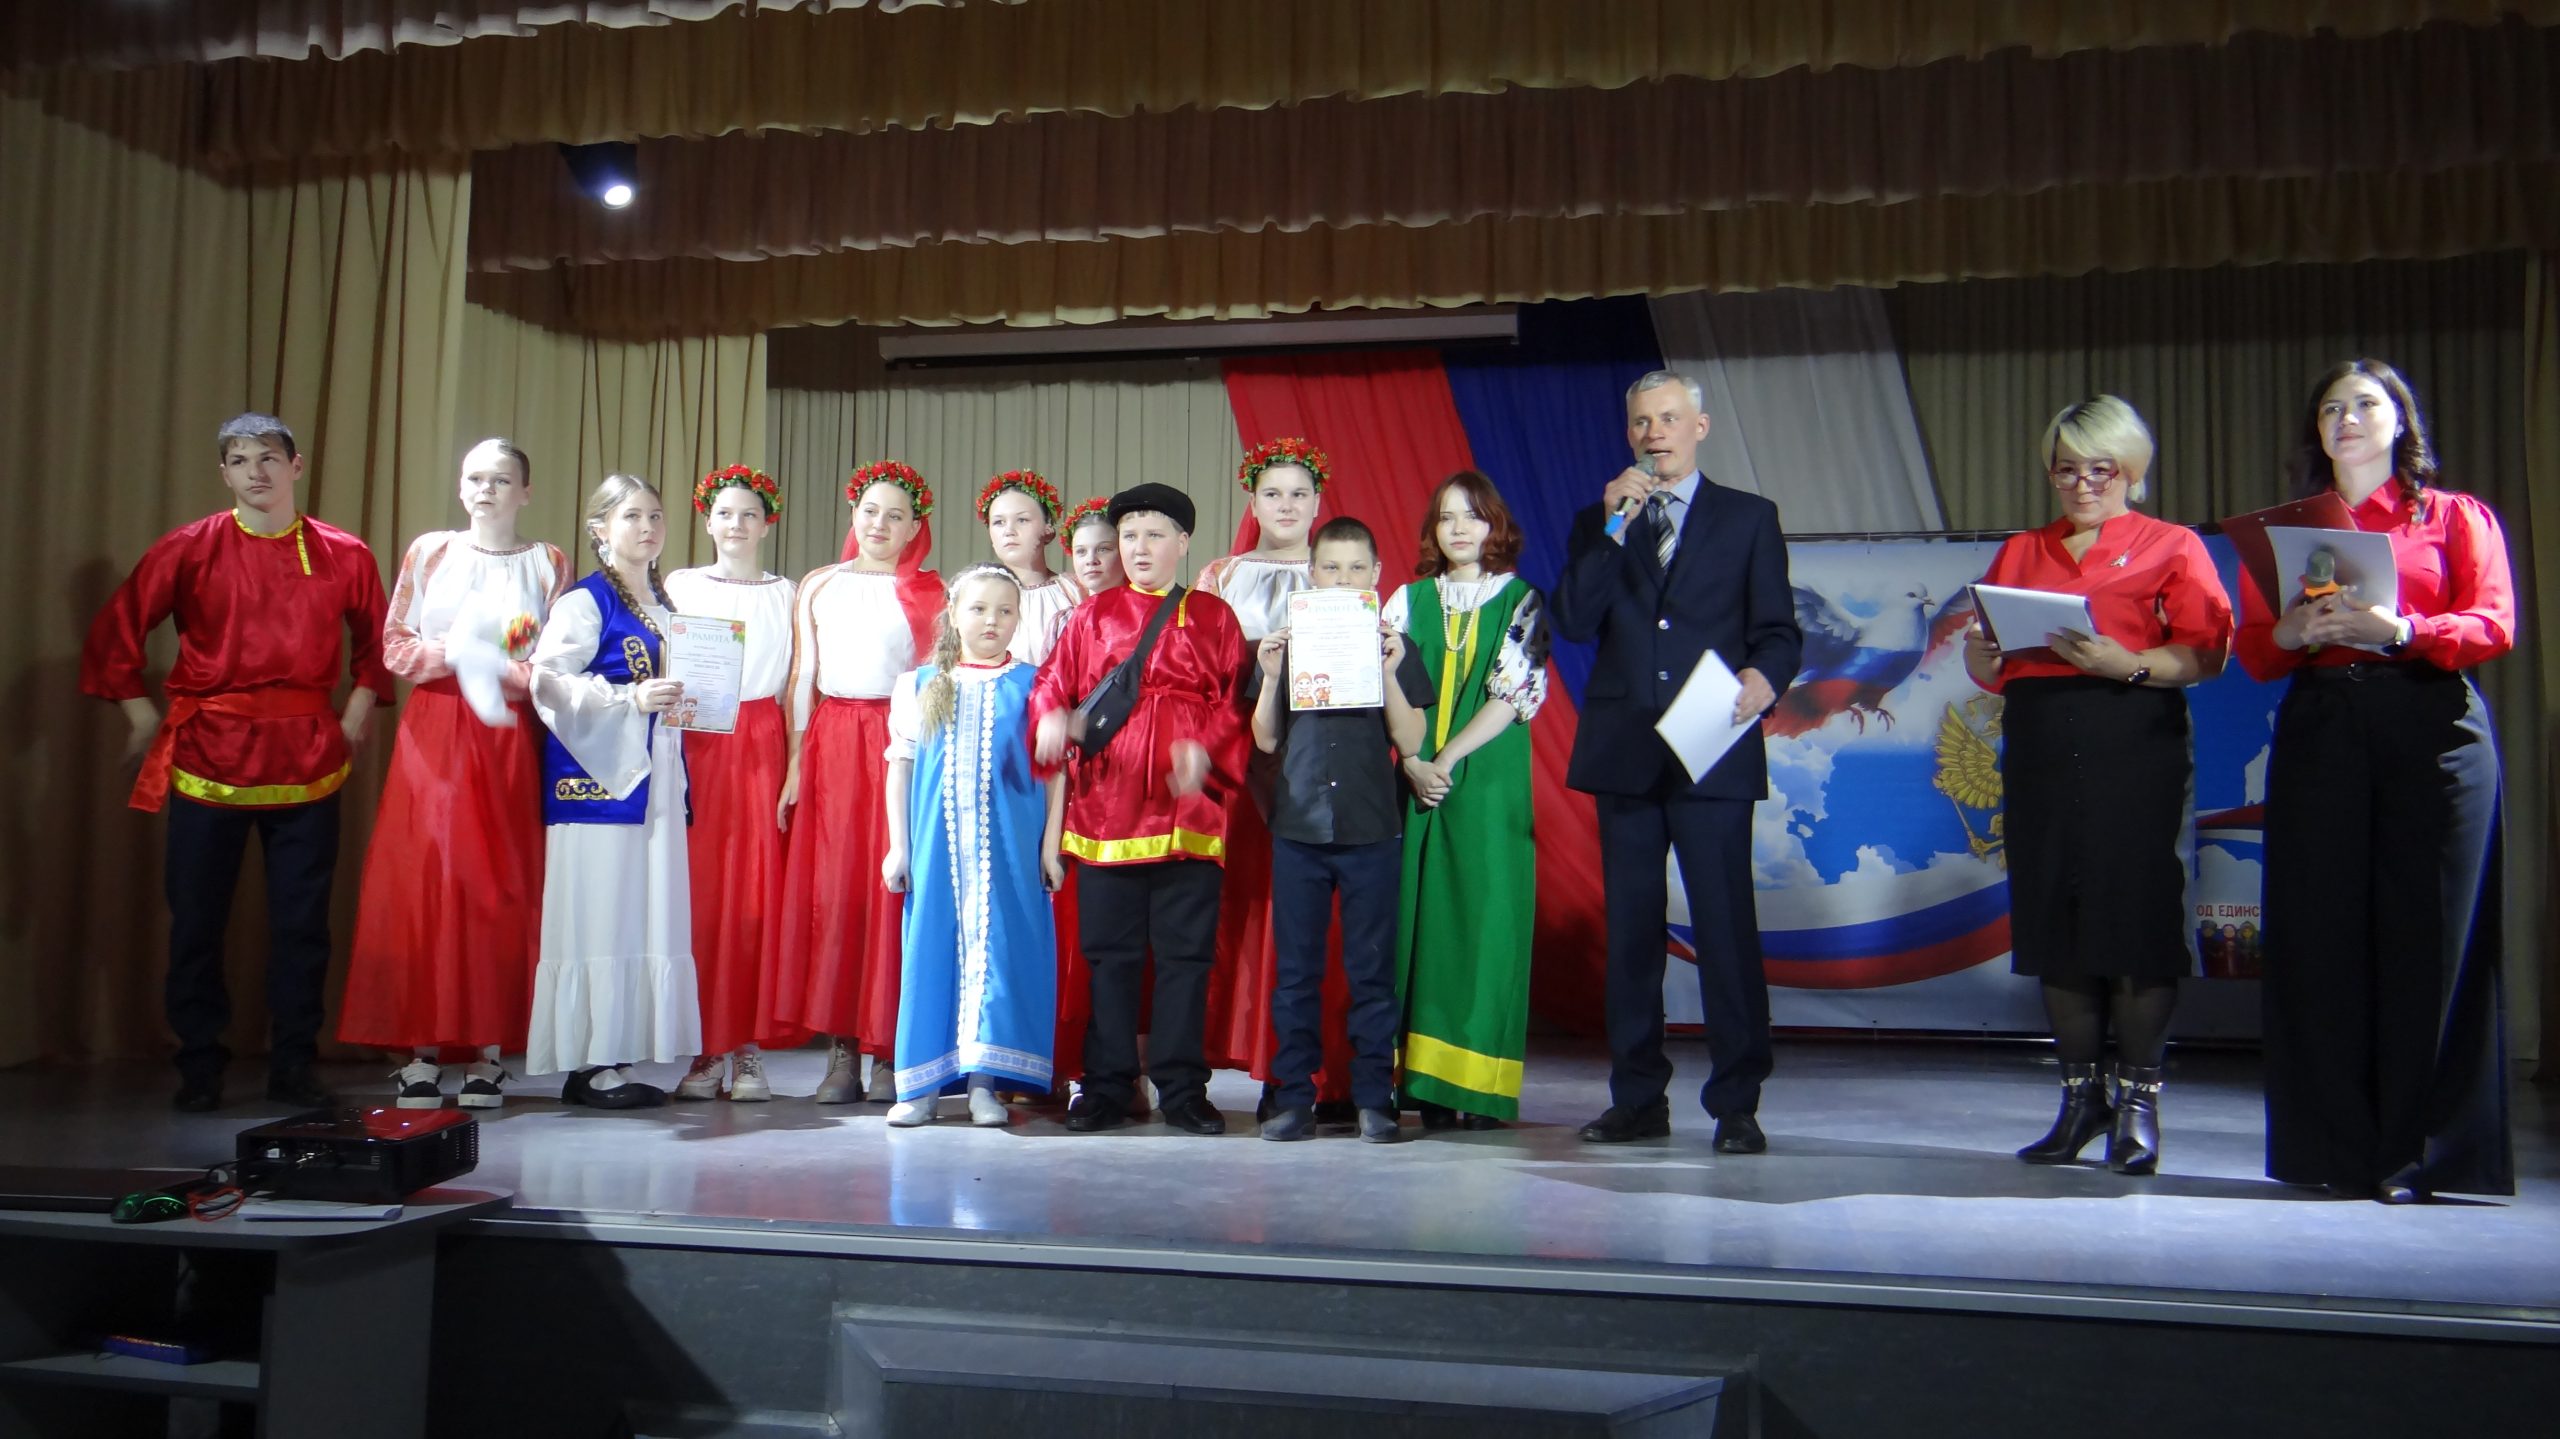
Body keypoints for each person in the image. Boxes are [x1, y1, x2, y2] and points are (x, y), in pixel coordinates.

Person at [2235, 359, 2516, 1204]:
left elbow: (2494, 623)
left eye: (2365, 404)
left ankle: (2417, 1154)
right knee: (2321, 936)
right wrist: (2295, 627)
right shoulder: (2290, 533)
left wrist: (2402, 629)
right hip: (2325, 724)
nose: (2347, 419)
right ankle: (2333, 1150)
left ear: (2400, 421)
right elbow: (2256, 650)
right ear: (2317, 433)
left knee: (2427, 937)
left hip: (2430, 724)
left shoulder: (2454, 516)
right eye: (2331, 408)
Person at [82, 412, 393, 1112]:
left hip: (307, 757)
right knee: (196, 921)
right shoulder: (189, 548)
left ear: (296, 466)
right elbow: (117, 632)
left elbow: (378, 641)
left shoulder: (344, 553)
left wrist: (357, 708)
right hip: (209, 754)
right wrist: (141, 716)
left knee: (302, 924)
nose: (257, 470)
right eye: (241, 459)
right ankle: (199, 1063)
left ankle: (294, 1062)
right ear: (224, 473)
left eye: (269, 457)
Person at [1961, 397, 2232, 1175]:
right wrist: (1982, 655)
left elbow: (2207, 654)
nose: (2082, 483)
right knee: (2058, 917)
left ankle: (2138, 1103)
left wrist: (2129, 663)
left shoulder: (2171, 544)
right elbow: (1988, 664)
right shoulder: (2021, 550)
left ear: (2131, 472)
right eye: (2066, 469)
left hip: (2132, 739)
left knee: (2135, 917)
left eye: (2100, 469)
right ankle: (2080, 1100)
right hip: (2041, 743)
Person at [1552, 371, 1802, 1151]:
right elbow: (1572, 618)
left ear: (1700, 426)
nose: (1652, 433)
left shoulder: (1748, 517)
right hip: (1625, 751)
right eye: (1640, 422)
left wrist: (1764, 679)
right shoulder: (1602, 519)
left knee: (1725, 927)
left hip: (1713, 744)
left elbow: (1779, 631)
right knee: (1632, 935)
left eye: (1667, 418)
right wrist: (1611, 527)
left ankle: (1737, 1103)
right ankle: (1636, 1098)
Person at [340, 438, 568, 1109]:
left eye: (501, 479)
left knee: (496, 882)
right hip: (436, 730)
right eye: (475, 478)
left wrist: (500, 666)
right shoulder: (431, 551)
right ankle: (419, 1049)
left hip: (505, 735)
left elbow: (552, 655)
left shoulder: (547, 561)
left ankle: (486, 1052)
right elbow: (394, 643)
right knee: (426, 877)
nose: (485, 490)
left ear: (525, 491)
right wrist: (456, 653)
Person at [1032, 483, 1248, 1135]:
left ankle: (1182, 1088)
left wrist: (1208, 751)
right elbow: (1051, 684)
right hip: (1107, 809)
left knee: (1186, 957)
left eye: (1154, 535)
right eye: (1129, 536)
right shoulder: (1091, 616)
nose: (1139, 548)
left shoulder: (1213, 617)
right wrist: (1050, 719)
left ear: (1183, 542)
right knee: (1109, 955)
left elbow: (1235, 701)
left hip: (1188, 812)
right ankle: (1107, 1086)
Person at [525, 474, 702, 1109]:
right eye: (632, 516)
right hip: (600, 780)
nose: (648, 527)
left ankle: (616, 1056)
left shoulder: (665, 603)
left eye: (655, 515)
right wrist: (630, 697)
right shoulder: (586, 601)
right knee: (600, 912)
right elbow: (547, 680)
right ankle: (588, 1064)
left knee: (640, 912)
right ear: (600, 528)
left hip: (656, 774)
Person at [767, 462, 943, 1101]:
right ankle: (841, 1050)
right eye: (871, 510)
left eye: (896, 515)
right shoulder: (821, 584)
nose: (880, 524)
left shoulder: (931, 592)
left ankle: (890, 1051)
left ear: (914, 528)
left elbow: (934, 683)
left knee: (893, 890)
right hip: (834, 744)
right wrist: (796, 761)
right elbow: (802, 677)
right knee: (837, 893)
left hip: (898, 747)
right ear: (853, 514)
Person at [1253, 517, 1432, 1143]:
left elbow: (1412, 740)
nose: (1343, 578)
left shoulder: (1395, 646)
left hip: (1371, 828)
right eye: (1331, 567)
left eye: (1357, 568)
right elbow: (1267, 740)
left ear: (1376, 576)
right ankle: (1292, 1099)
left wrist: (1388, 672)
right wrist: (1270, 676)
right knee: (1296, 974)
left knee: (1371, 972)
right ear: (1312, 574)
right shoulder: (1287, 645)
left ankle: (1374, 1098)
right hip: (1299, 827)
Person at [1385, 474, 1553, 1130]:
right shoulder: (1405, 601)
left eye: (1473, 516)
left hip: (1486, 780)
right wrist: (1412, 761)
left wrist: (1445, 758)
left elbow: (1515, 692)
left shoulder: (1521, 599)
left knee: (1485, 926)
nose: (1459, 528)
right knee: (1418, 925)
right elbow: (1382, 685)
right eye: (1447, 517)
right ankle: (1423, 1084)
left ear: (1495, 525)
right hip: (1414, 777)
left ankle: (1479, 1086)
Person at [1196, 438, 1356, 1119]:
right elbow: (1202, 671)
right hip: (1239, 766)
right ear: (1253, 502)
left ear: (1317, 503)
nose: (1285, 505)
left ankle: (1306, 1075)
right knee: (1239, 917)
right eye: (1272, 494)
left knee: (1310, 924)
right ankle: (1226, 1062)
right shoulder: (1221, 575)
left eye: (1298, 494)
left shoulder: (1339, 574)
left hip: (1314, 766)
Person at [881, 565, 1064, 1127]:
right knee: (932, 950)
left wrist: (1050, 847)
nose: (992, 621)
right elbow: (900, 767)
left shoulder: (1035, 683)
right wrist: (899, 846)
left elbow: (1056, 771)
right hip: (938, 847)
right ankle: (923, 1087)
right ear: (954, 614)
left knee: (1002, 953)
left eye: (1005, 611)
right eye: (979, 609)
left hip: (1008, 848)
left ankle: (985, 1083)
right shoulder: (920, 684)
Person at [664, 465, 798, 1102]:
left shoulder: (788, 593)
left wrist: (794, 763)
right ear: (707, 521)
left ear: (767, 524)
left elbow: (797, 683)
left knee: (753, 894)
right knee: (700, 894)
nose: (736, 525)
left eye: (749, 514)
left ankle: (748, 1049)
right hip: (696, 743)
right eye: (725, 513)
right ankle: (705, 1048)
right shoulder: (680, 584)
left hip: (760, 739)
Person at [980, 469, 1081, 664]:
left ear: (1048, 529)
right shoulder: (977, 594)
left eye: (1022, 520)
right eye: (999, 522)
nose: (1009, 531)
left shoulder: (1074, 591)